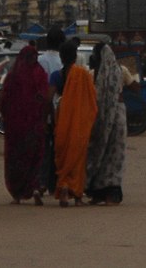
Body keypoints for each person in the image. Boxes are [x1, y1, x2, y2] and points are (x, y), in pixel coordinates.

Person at [0, 45, 51, 205]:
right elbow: (46, 101)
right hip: (35, 127)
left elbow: (1, 100)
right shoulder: (41, 74)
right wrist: (50, 120)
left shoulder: (13, 76)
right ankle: (35, 187)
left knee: (16, 161)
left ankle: (17, 194)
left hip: (15, 129)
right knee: (34, 159)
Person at [49, 39, 98, 207]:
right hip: (79, 119)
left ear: (61, 57)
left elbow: (49, 98)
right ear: (75, 56)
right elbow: (92, 100)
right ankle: (77, 195)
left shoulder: (56, 75)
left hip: (62, 116)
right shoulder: (83, 74)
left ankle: (63, 187)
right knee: (78, 157)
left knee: (63, 155)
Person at [85, 42, 127, 205]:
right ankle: (98, 193)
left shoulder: (115, 73)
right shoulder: (94, 74)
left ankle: (110, 192)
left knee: (112, 155)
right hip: (104, 116)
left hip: (113, 118)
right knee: (98, 152)